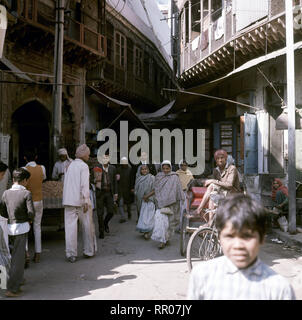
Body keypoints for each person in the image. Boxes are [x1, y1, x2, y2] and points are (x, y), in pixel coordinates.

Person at [187, 194, 296, 300]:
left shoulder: (279, 289)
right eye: (230, 236)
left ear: (262, 238)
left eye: (247, 236)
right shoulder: (202, 277)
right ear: (219, 238)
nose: (238, 245)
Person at [0, 168, 35, 297]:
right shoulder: (26, 194)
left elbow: (3, 212)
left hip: (9, 228)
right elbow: (31, 213)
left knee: (13, 256)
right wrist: (29, 220)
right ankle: (12, 288)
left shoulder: (5, 193)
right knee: (18, 259)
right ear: (24, 180)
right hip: (22, 228)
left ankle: (18, 281)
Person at [62, 144, 97, 263]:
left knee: (70, 228)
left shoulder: (69, 165)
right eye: (88, 154)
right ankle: (88, 251)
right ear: (84, 155)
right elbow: (84, 185)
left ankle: (71, 254)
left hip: (68, 200)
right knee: (87, 226)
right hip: (81, 201)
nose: (89, 156)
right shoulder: (84, 166)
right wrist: (86, 200)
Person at [196, 149, 241, 226]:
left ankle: (199, 209)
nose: (220, 160)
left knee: (212, 185)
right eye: (217, 158)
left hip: (232, 194)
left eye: (222, 158)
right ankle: (210, 221)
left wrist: (212, 181)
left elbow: (229, 185)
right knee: (212, 195)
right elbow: (216, 185)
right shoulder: (216, 170)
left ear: (226, 159)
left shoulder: (232, 168)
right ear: (216, 160)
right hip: (222, 194)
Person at [148, 160, 184, 249]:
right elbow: (156, 190)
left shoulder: (175, 177)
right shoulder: (159, 176)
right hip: (161, 204)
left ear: (170, 168)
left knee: (170, 224)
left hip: (172, 204)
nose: (165, 170)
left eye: (167, 168)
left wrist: (180, 199)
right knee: (161, 223)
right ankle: (161, 241)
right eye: (163, 168)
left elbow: (178, 190)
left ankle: (166, 238)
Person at [24, 150, 46, 263]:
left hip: (27, 202)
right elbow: (43, 178)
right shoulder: (42, 168)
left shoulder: (23, 170)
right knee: (37, 226)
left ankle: (26, 253)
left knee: (25, 228)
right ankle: (38, 253)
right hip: (39, 200)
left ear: (24, 158)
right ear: (36, 157)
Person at [95, 154, 118, 238]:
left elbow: (115, 181)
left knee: (111, 211)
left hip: (109, 193)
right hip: (100, 193)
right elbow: (91, 179)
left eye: (107, 158)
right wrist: (94, 180)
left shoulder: (112, 168)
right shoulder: (97, 168)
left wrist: (116, 193)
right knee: (100, 213)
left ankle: (105, 223)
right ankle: (101, 231)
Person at [135, 165, 156, 239]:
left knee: (149, 217)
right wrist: (140, 196)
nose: (144, 171)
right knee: (143, 217)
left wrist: (147, 196)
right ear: (140, 171)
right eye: (142, 169)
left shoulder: (152, 178)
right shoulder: (138, 178)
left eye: (145, 169)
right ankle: (145, 231)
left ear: (148, 170)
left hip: (149, 200)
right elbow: (136, 190)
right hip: (141, 200)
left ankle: (147, 232)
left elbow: (154, 189)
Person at [116, 157, 134, 223]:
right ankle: (123, 217)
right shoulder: (118, 170)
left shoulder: (130, 169)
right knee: (120, 204)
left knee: (128, 204)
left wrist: (132, 188)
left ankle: (129, 213)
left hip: (128, 189)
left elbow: (132, 180)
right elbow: (117, 180)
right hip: (120, 189)